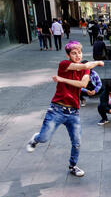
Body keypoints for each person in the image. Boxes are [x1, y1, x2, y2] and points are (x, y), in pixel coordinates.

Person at [26, 41, 104, 177]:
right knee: (44, 138)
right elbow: (86, 65)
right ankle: (35, 139)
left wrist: (63, 80)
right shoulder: (64, 64)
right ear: (68, 55)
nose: (78, 55)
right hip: (57, 109)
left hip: (73, 112)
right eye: (74, 53)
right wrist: (97, 62)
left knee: (77, 142)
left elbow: (83, 83)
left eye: (79, 52)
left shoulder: (84, 70)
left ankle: (73, 166)